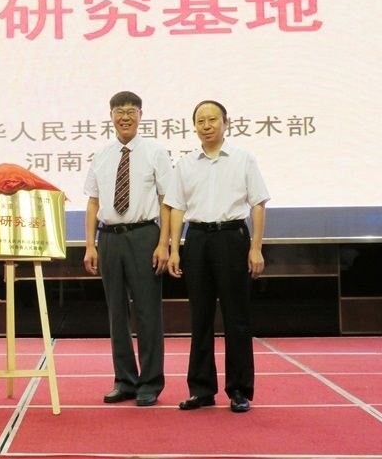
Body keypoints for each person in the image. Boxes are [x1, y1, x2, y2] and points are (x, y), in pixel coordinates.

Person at [165, 100, 269, 413]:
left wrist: (256, 247)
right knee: (200, 317)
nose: (206, 125)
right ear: (194, 126)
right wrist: (174, 249)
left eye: (212, 119)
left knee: (237, 317)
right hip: (197, 239)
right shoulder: (185, 163)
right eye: (200, 121)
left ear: (227, 123)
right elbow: (177, 207)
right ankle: (201, 389)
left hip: (232, 238)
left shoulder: (243, 159)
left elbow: (258, 203)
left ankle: (239, 390)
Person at [83, 91, 172, 407]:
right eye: (119, 111)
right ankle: (124, 380)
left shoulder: (155, 152)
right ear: (111, 116)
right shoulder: (101, 155)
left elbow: (167, 200)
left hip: (144, 235)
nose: (125, 117)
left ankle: (150, 382)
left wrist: (164, 243)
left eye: (131, 111)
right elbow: (93, 202)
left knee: (148, 312)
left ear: (140, 115)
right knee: (116, 312)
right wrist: (90, 245)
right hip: (109, 238)